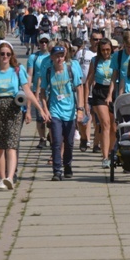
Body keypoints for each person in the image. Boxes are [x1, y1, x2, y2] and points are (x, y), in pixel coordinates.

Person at [0, 41, 48, 190]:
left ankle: (10, 177)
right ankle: (2, 178)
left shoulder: (18, 70)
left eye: (8, 54)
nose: (5, 56)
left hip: (14, 109)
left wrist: (40, 109)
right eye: (2, 54)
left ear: (11, 55)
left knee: (11, 144)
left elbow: (27, 91)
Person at [40, 46, 84, 181]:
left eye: (62, 56)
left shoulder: (70, 69)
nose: (59, 59)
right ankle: (57, 170)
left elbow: (79, 88)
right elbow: (42, 92)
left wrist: (80, 109)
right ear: (52, 57)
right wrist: (45, 110)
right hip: (55, 111)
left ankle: (68, 165)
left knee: (69, 142)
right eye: (57, 56)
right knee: (57, 141)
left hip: (70, 111)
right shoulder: (48, 71)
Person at [85, 38, 116, 167]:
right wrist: (86, 101)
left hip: (113, 91)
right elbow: (88, 81)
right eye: (103, 50)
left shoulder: (115, 59)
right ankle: (105, 157)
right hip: (99, 92)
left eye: (108, 50)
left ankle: (111, 151)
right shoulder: (95, 61)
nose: (105, 52)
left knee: (114, 127)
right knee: (105, 123)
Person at [27, 33, 51, 150]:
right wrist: (28, 88)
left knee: (52, 116)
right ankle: (42, 138)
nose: (44, 44)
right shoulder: (33, 57)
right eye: (42, 42)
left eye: (46, 42)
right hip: (38, 90)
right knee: (40, 116)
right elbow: (30, 74)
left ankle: (51, 135)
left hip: (51, 90)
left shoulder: (52, 56)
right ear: (38, 43)